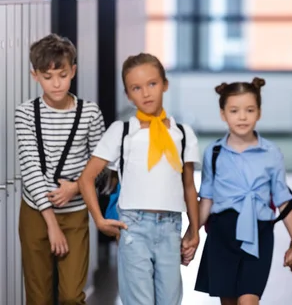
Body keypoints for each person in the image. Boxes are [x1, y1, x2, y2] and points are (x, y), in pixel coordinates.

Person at [78, 53, 200, 305]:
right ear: (128, 94)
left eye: (152, 84)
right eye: (136, 87)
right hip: (133, 227)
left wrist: (194, 230)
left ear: (165, 84)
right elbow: (86, 179)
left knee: (170, 300)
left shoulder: (183, 134)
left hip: (170, 227)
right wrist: (99, 221)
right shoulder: (121, 132)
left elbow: (189, 186)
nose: (146, 93)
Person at [194, 78, 292, 305]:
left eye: (249, 110)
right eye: (234, 111)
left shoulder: (271, 153)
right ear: (223, 114)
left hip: (259, 233)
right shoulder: (214, 152)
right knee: (229, 302)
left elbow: (283, 200)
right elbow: (206, 199)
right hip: (222, 234)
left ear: (259, 113)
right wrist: (191, 233)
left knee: (248, 301)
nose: (242, 117)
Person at [16, 34, 106, 304]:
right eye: (47, 76)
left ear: (73, 71)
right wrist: (51, 222)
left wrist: (76, 187)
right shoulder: (25, 113)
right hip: (36, 212)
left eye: (62, 75)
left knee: (70, 296)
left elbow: (101, 166)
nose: (56, 83)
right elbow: (30, 167)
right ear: (35, 76)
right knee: (39, 296)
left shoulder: (89, 113)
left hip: (75, 212)